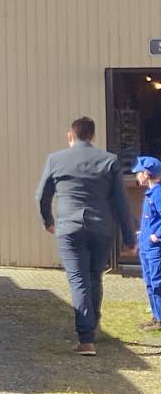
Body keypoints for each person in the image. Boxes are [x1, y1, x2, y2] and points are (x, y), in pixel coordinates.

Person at [36, 117, 135, 355]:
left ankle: (86, 338)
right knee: (94, 276)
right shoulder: (109, 160)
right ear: (93, 136)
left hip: (69, 228)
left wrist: (47, 220)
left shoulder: (55, 159)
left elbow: (42, 195)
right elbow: (121, 202)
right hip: (101, 227)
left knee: (79, 279)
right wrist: (129, 238)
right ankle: (93, 322)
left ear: (70, 136)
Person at [133, 156, 161, 332]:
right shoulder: (150, 193)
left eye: (138, 172)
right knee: (150, 282)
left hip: (155, 248)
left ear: (146, 174)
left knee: (157, 282)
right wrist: (142, 234)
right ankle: (156, 316)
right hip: (146, 245)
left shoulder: (158, 193)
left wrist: (157, 235)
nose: (136, 175)